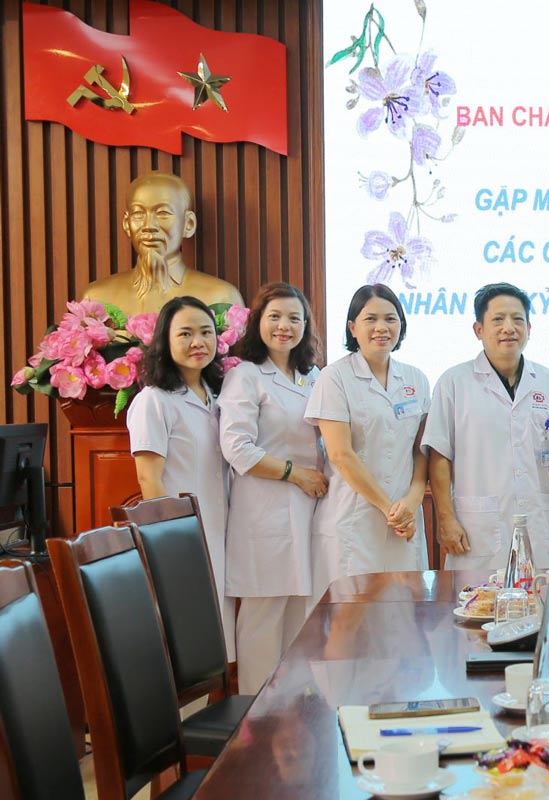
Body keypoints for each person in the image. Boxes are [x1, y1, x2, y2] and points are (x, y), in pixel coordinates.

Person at [219, 283, 327, 694]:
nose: (285, 326)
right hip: (264, 512)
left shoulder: (312, 377)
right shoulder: (246, 376)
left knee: (302, 615)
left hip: (307, 512)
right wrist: (296, 474)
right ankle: (255, 720)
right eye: (275, 317)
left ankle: (293, 717)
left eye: (294, 318)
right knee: (264, 620)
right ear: (257, 323)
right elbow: (237, 448)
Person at [422, 283, 549, 570]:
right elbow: (439, 456)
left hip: (537, 522)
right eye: (498, 320)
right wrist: (446, 517)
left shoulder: (548, 382)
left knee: (537, 604)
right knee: (475, 607)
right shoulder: (454, 382)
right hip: (476, 526)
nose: (509, 328)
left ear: (529, 327)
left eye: (517, 320)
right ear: (479, 330)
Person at [305, 284, 430, 605]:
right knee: (349, 620)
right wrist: (391, 509)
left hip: (404, 520)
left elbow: (420, 449)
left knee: (403, 617)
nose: (381, 328)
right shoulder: (334, 378)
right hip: (355, 518)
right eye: (370, 318)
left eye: (391, 319)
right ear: (352, 327)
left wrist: (413, 500)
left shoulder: (416, 379)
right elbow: (340, 455)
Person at [126, 295, 234, 654]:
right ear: (164, 341)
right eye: (185, 334)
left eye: (206, 332)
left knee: (216, 644)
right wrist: (168, 544)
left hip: (220, 535)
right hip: (180, 541)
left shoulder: (218, 397)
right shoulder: (153, 401)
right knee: (187, 647)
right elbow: (148, 481)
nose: (197, 342)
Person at [83, 172, 243, 314]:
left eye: (163, 213)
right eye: (138, 213)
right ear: (127, 224)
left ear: (188, 224)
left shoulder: (221, 297)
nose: (148, 226)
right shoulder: (96, 299)